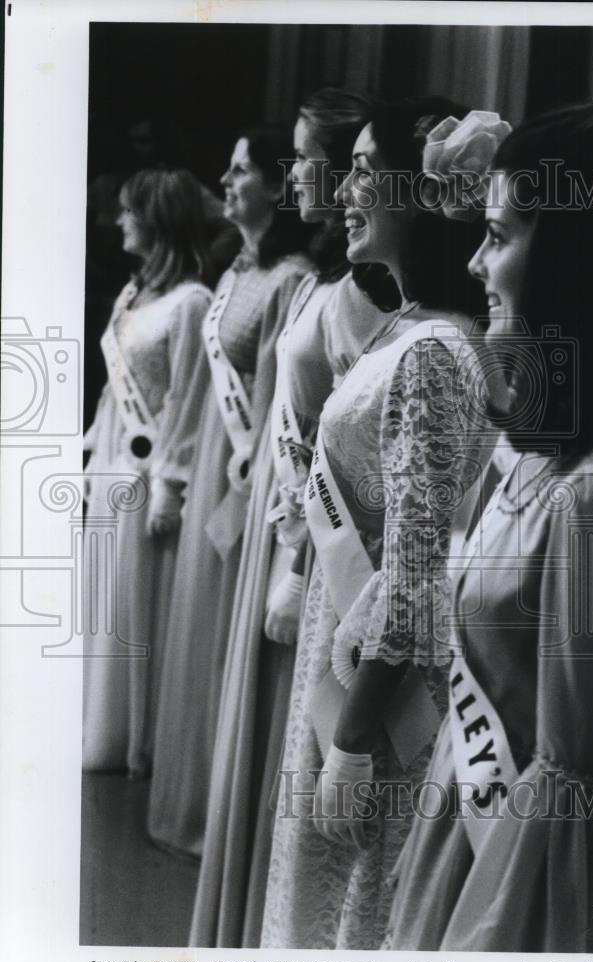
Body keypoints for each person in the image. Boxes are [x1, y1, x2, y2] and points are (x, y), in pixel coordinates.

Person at [385, 101, 593, 953]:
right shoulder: (534, 460)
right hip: (465, 844)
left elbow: (571, 811)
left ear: (576, 262)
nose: (476, 262)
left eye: (500, 235)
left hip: (515, 898)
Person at [259, 98, 511, 950]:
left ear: (424, 193)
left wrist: (356, 742)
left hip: (383, 702)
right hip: (349, 664)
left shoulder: (436, 352)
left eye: (367, 170)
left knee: (349, 917)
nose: (347, 188)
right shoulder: (407, 332)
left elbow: (415, 575)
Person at [189, 89, 390, 946]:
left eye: (308, 157)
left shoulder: (355, 297)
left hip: (311, 561)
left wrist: (296, 563)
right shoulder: (325, 282)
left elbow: (343, 454)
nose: (299, 173)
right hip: (284, 543)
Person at [146, 127, 311, 856]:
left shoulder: (293, 278)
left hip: (245, 475)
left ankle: (221, 817)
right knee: (195, 635)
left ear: (279, 187)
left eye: (241, 168)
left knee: (226, 643)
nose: (227, 176)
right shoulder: (231, 273)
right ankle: (185, 802)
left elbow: (282, 404)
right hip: (212, 462)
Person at [82, 168, 214, 776]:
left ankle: (132, 740)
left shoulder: (192, 302)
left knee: (134, 611)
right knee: (101, 598)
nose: (118, 222)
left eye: (129, 211)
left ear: (156, 221)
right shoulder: (133, 295)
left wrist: (169, 486)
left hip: (148, 478)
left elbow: (185, 399)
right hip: (112, 466)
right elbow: (117, 393)